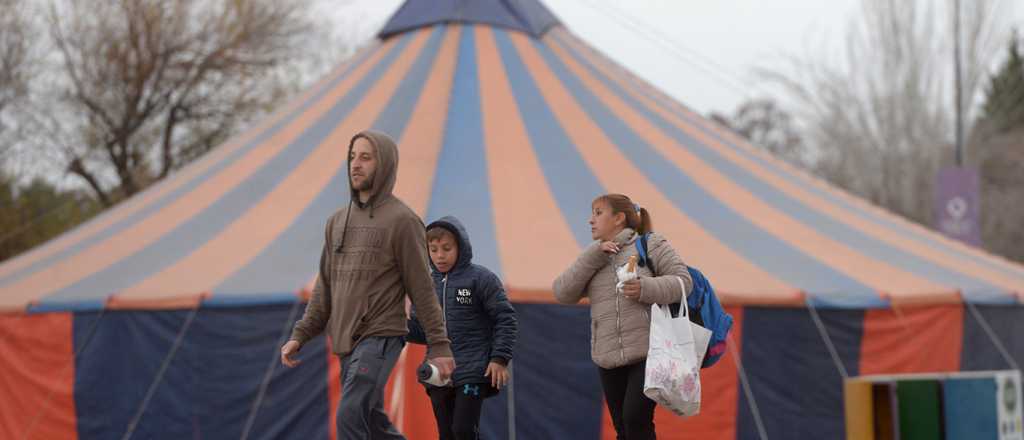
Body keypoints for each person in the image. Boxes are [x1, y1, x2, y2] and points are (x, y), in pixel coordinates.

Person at [280, 130, 455, 439]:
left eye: (365, 157)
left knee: (349, 415)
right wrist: (302, 333)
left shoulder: (403, 221)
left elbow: (422, 289)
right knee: (373, 423)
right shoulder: (336, 222)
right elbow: (325, 287)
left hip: (382, 335)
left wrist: (439, 345)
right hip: (346, 340)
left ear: (384, 164)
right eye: (352, 157)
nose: (355, 164)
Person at [553, 194, 693, 440]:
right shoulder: (595, 257)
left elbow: (683, 282)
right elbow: (562, 293)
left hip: (649, 351)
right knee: (623, 428)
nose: (590, 220)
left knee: (635, 418)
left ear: (618, 218)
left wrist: (645, 288)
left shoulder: (651, 244)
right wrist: (594, 254)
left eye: (598, 213)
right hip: (608, 356)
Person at [407, 216, 518, 440]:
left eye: (446, 248)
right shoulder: (424, 285)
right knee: (446, 435)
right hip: (438, 372)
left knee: (463, 431)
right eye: (434, 249)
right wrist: (397, 327)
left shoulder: (482, 278)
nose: (440, 255)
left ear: (461, 246)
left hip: (473, 370)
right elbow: (423, 332)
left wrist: (499, 358)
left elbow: (506, 319)